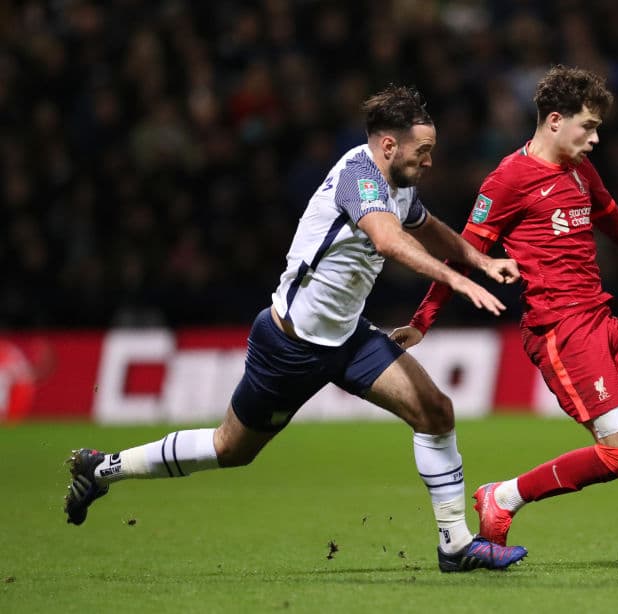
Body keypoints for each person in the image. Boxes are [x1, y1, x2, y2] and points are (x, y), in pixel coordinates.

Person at [63, 85, 528, 573]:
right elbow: (389, 239)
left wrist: (477, 258)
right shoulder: (358, 177)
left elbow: (422, 223)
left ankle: (455, 545)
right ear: (389, 145)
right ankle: (105, 469)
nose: (429, 161)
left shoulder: (399, 179)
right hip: (290, 345)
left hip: (348, 338)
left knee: (435, 410)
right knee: (230, 449)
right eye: (423, 151)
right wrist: (454, 277)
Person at [391, 66, 618, 569]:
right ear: (553, 121)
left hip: (601, 320)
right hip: (561, 334)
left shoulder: (579, 170)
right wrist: (423, 321)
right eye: (587, 127)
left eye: (598, 128)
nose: (595, 138)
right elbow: (462, 254)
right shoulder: (508, 180)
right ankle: (503, 497)